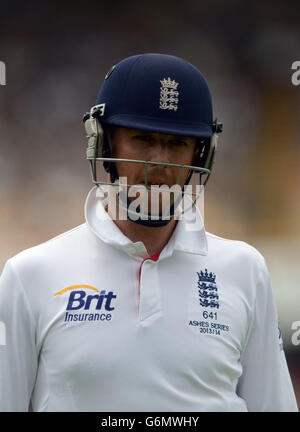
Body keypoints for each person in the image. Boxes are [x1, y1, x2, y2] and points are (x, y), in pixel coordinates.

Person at [0, 53, 298, 412]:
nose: (159, 162)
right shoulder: (29, 275)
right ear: (106, 144)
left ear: (200, 154)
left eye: (177, 143)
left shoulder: (245, 270)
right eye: (142, 139)